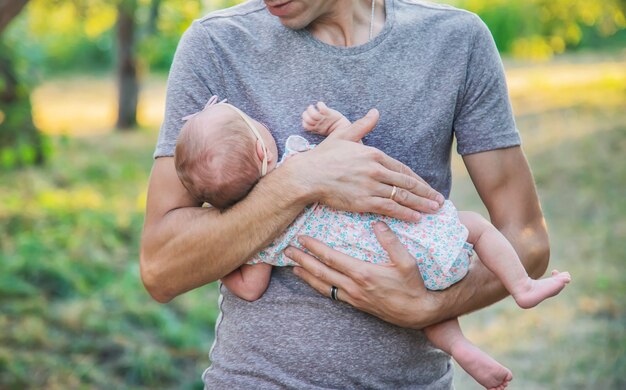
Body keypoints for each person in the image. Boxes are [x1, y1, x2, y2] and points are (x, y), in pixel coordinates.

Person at [140, 0, 553, 388]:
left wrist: (429, 307)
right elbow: (161, 269)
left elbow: (527, 241)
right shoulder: (216, 45)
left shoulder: (455, 41)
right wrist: (300, 181)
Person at [174, 98, 571, 389]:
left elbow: (250, 287)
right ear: (263, 150)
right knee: (475, 227)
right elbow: (356, 150)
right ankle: (521, 286)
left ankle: (464, 350)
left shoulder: (262, 238)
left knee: (426, 313)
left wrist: (224, 256)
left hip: (374, 275)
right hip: (412, 241)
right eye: (253, 122)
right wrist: (335, 122)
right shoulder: (301, 160)